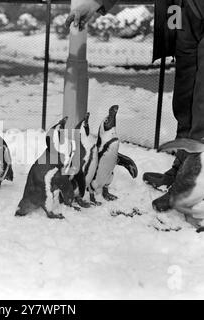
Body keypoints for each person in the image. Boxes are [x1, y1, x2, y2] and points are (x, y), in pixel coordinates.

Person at [66, 0, 204, 211]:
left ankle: (191, 184)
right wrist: (97, 2)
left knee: (202, 108)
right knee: (184, 103)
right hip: (185, 17)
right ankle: (182, 168)